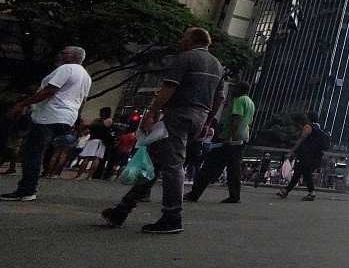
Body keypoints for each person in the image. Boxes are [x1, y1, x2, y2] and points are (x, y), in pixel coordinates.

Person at [100, 27, 224, 234]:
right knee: (156, 161)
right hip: (199, 117)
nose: (181, 39)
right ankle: (121, 210)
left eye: (184, 36)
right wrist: (208, 122)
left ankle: (172, 217)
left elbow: (169, 87)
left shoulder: (186, 58)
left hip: (179, 114)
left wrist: (152, 112)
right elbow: (219, 98)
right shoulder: (218, 65)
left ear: (193, 40)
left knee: (173, 165)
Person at [2, 47, 92, 202]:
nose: (61, 54)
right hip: (66, 117)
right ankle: (30, 187)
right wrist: (75, 120)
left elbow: (49, 91)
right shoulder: (86, 76)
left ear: (75, 56)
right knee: (42, 151)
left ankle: (27, 189)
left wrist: (22, 104)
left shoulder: (66, 68)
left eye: (65, 52)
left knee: (32, 152)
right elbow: (82, 101)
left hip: (50, 116)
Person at [186, 81, 255, 204]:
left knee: (210, 166)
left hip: (230, 139)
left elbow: (236, 118)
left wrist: (229, 136)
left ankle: (194, 193)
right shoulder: (250, 102)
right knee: (234, 169)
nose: (233, 90)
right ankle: (235, 195)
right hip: (241, 139)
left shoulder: (239, 100)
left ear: (240, 89)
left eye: (235, 88)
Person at [278, 111, 326, 201]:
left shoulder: (308, 127)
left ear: (309, 118)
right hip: (312, 155)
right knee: (298, 173)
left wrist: (291, 151)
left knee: (305, 173)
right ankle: (286, 191)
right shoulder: (317, 128)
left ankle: (311, 193)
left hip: (305, 155)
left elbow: (301, 140)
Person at [71, 108, 114, 179]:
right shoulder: (109, 121)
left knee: (86, 158)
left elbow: (89, 128)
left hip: (92, 140)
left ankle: (79, 175)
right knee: (96, 159)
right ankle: (89, 176)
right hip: (101, 142)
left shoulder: (96, 121)